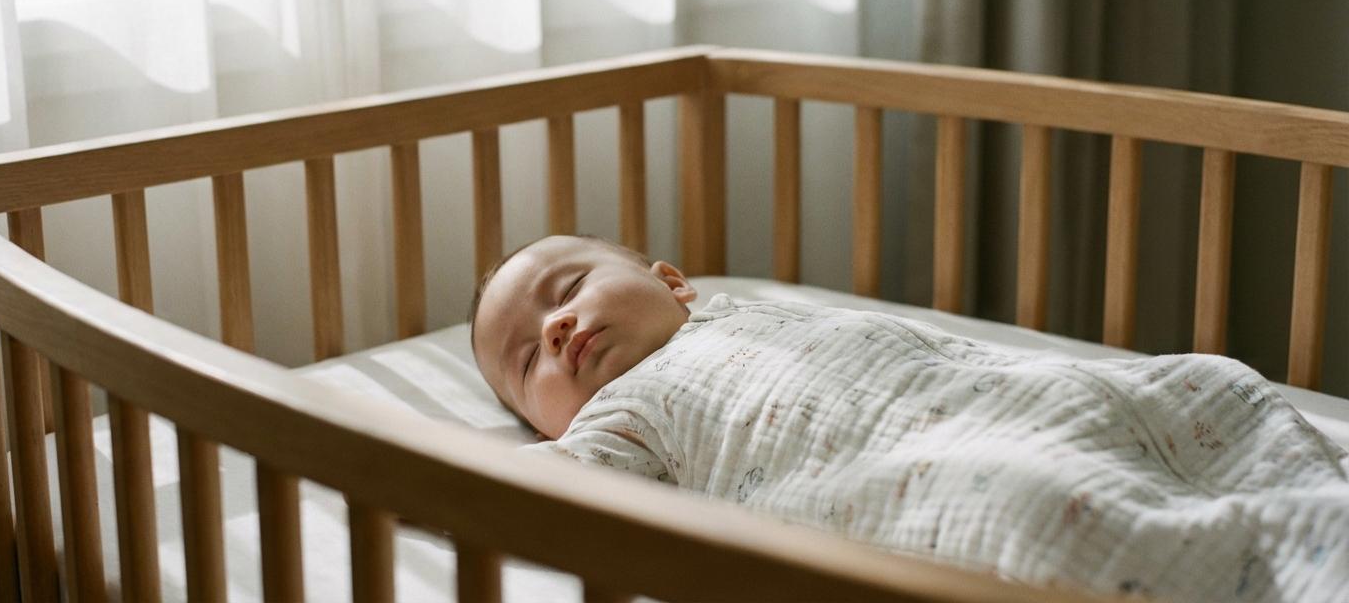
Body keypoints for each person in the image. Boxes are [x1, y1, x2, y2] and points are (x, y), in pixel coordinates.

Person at [470, 235, 1348, 602]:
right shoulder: (619, 420)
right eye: (525, 363)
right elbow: (526, 495)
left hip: (1020, 397)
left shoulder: (740, 309)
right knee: (1044, 505)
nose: (554, 330)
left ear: (671, 282)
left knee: (1203, 386)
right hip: (948, 473)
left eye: (568, 290)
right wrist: (416, 475)